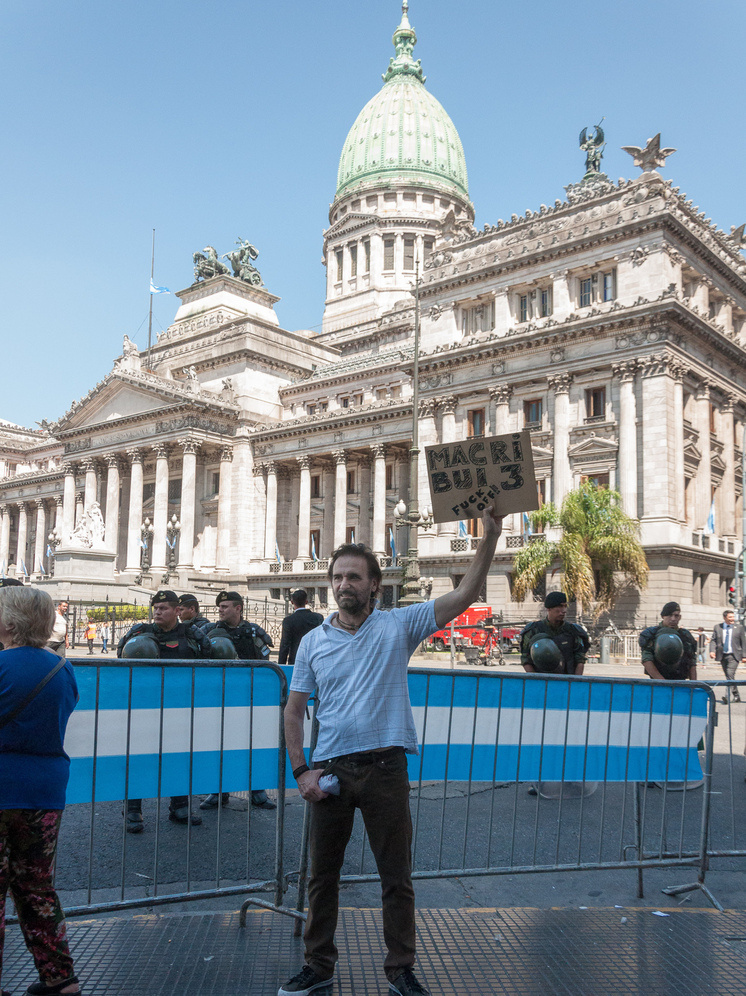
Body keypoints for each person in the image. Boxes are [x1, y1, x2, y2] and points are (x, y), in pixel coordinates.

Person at [279, 507, 503, 996]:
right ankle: (318, 964)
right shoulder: (314, 642)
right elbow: (294, 710)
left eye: (354, 577)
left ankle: (400, 968)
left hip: (385, 767)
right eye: (338, 576)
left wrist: (491, 536)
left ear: (375, 585)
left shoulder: (399, 626)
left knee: (396, 879)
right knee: (322, 877)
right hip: (331, 772)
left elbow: (465, 594)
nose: (344, 585)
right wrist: (301, 771)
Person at [0, 585, 80, 996]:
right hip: (45, 790)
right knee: (37, 886)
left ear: (9, 623)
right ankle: (60, 979)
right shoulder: (62, 669)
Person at [117, 590, 213, 831]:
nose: (158, 612)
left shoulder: (192, 634)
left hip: (180, 706)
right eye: (156, 608)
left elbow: (209, 661)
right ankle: (133, 811)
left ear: (177, 611)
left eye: (164, 608)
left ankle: (179, 806)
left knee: (179, 756)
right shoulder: (140, 632)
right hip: (144, 707)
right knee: (139, 756)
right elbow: (121, 656)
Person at [202, 591, 276, 811]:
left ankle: (257, 791)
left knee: (254, 744)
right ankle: (218, 791)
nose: (221, 610)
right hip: (220, 697)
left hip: (249, 697)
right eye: (220, 607)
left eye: (225, 606)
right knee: (219, 745)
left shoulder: (253, 632)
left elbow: (265, 663)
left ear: (239, 608)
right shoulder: (209, 632)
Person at [519, 591, 590, 675]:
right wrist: (537, 681)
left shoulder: (573, 630)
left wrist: (575, 683)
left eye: (565, 606)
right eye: (560, 606)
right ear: (549, 608)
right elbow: (525, 659)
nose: (564, 610)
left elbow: (580, 660)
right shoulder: (533, 630)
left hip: (567, 681)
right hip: (542, 681)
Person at [639, 601, 698, 681]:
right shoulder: (651, 634)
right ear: (663, 616)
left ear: (680, 617)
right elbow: (646, 659)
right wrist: (662, 682)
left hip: (681, 681)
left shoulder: (685, 636)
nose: (673, 619)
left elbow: (692, 661)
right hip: (658, 683)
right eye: (670, 615)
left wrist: (693, 685)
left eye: (676, 615)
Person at [277, 589, 324, 668]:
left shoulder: (288, 621)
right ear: (306, 601)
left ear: (292, 602)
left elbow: (285, 645)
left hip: (295, 660)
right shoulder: (318, 618)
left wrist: (281, 665)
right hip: (315, 659)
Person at [709, 609, 746, 703]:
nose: (732, 619)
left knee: (730, 674)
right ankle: (736, 696)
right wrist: (712, 651)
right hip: (722, 655)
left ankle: (727, 696)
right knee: (729, 676)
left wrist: (744, 656)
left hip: (734, 655)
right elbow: (713, 640)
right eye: (730, 617)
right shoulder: (718, 627)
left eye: (733, 617)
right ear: (724, 618)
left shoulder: (739, 627)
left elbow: (743, 642)